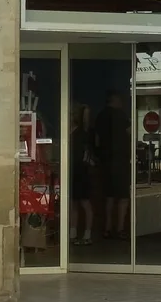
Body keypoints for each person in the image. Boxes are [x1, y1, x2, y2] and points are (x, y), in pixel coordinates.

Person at [93, 91, 131, 240]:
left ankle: (107, 228)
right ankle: (120, 228)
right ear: (115, 101)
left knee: (108, 197)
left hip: (105, 162)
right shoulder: (121, 116)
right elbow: (129, 134)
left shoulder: (100, 116)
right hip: (120, 161)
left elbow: (96, 140)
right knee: (122, 198)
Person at [69, 103, 94, 245]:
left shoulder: (82, 133)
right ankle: (73, 233)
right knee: (73, 203)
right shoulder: (70, 132)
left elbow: (85, 153)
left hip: (81, 170)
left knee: (85, 202)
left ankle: (87, 234)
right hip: (72, 169)